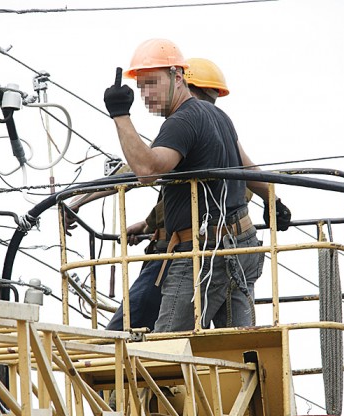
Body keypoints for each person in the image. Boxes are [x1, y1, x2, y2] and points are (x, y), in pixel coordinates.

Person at [103, 38, 291, 333]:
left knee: (167, 350)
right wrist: (274, 200)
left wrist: (120, 115)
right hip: (241, 249)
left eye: (152, 83)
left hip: (201, 257)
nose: (146, 94)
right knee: (239, 349)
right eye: (141, 87)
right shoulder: (219, 116)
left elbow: (147, 170)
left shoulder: (182, 121)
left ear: (178, 77)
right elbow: (248, 168)